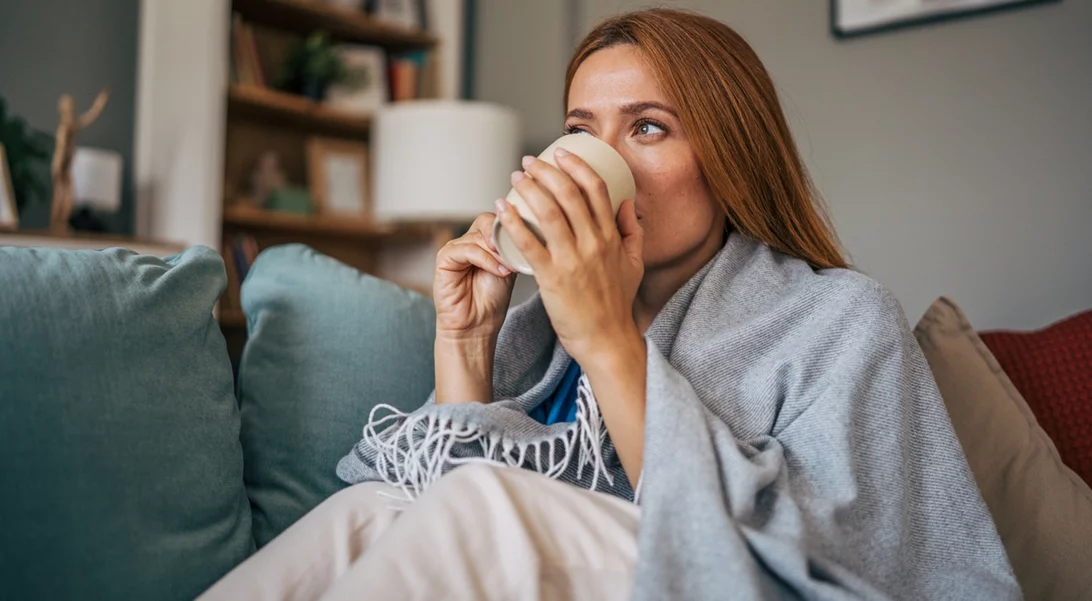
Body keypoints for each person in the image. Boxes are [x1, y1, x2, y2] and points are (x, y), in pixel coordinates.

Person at [201, 8, 1020, 601]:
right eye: (581, 129)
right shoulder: (535, 330)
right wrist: (468, 341)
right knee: (369, 507)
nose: (597, 163)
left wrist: (607, 336)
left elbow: (839, 559)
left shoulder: (841, 319)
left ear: (731, 159)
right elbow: (428, 505)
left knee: (488, 504)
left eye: (649, 128)